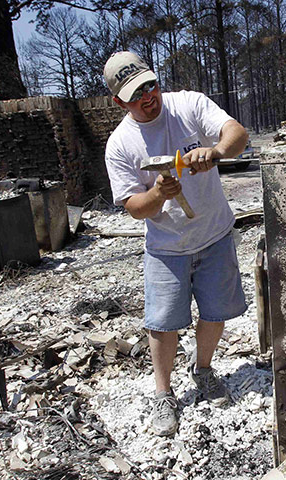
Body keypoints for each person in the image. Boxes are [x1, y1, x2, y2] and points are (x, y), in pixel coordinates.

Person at [102, 51, 249, 436]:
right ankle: (164, 394)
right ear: (120, 102)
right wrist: (160, 194)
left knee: (215, 312)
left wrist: (215, 151)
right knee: (164, 324)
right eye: (136, 95)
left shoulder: (188, 104)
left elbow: (238, 135)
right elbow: (135, 208)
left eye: (151, 86)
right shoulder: (120, 145)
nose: (148, 97)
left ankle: (203, 370)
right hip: (166, 248)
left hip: (214, 234)